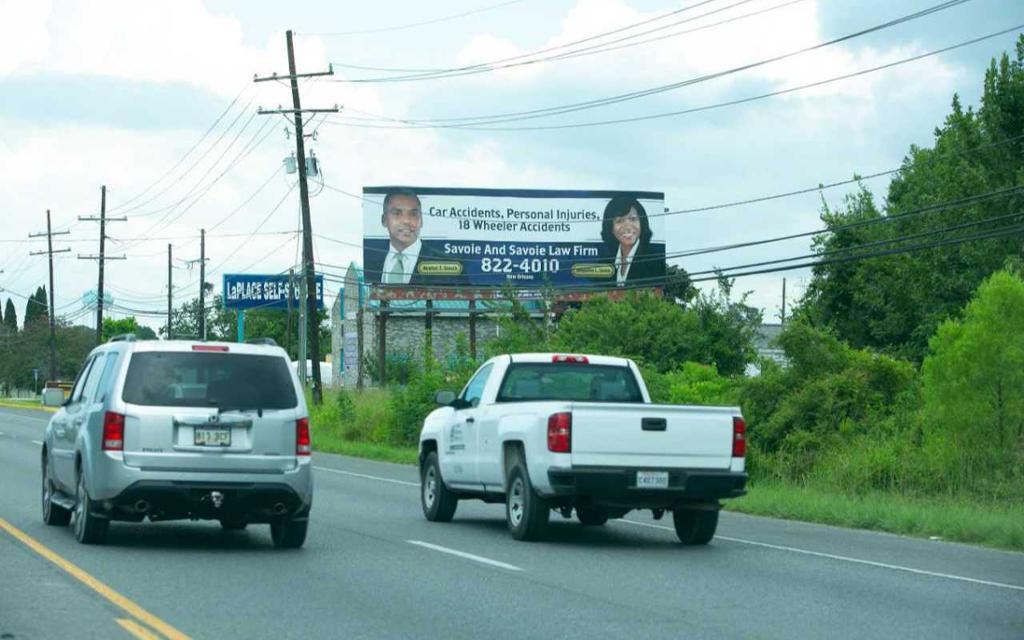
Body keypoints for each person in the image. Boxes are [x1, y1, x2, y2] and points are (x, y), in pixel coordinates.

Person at [365, 188, 451, 285]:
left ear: (421, 221)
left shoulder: (447, 264)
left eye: (413, 214)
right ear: (384, 220)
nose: (406, 221)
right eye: (397, 213)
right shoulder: (370, 263)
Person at [600, 196, 664, 285]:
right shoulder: (604, 264)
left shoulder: (655, 263)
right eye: (619, 221)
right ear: (610, 228)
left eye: (633, 219)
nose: (627, 227)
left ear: (642, 223)